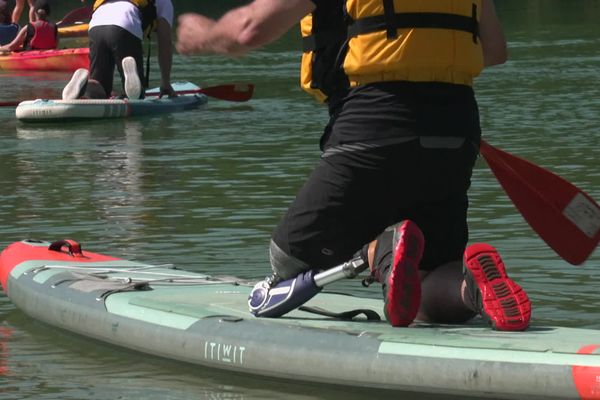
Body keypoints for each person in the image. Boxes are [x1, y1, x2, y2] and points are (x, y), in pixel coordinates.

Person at [177, 0, 532, 331]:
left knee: (288, 259)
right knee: (430, 274)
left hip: (376, 121)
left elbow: (249, 29)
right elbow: (494, 50)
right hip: (457, 127)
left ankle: (377, 253)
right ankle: (470, 288)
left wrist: (202, 34)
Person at [61, 0, 176, 100]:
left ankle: (84, 85)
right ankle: (132, 83)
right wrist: (165, 83)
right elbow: (165, 42)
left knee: (100, 87)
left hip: (96, 27)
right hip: (125, 26)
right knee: (138, 94)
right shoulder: (164, 2)